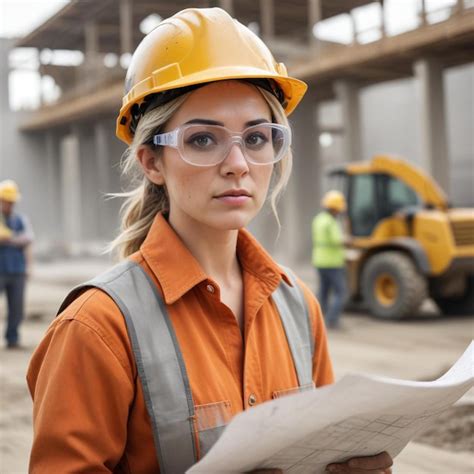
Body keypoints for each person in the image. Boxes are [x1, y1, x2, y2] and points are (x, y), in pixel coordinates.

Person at [27, 8, 392, 474]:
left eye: (257, 137)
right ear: (151, 161)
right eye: (203, 140)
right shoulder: (97, 328)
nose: (238, 163)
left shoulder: (299, 308)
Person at [0, 179, 34, 348]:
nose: (10, 205)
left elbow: (28, 240)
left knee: (16, 308)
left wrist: (29, 267)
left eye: (12, 202)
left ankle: (12, 338)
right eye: (7, 202)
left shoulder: (21, 220)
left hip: (17, 270)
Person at [312, 190, 348, 329]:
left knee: (323, 291)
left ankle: (317, 320)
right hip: (332, 262)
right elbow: (337, 240)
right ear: (336, 208)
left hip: (319, 261)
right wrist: (348, 240)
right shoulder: (331, 222)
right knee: (340, 292)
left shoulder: (318, 219)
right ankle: (332, 320)